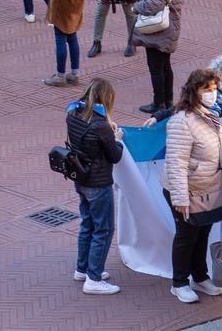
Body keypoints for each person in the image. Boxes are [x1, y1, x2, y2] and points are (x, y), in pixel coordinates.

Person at [163, 67, 222, 304]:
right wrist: (180, 198)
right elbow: (176, 163)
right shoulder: (182, 121)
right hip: (187, 190)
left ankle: (200, 277)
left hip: (208, 188)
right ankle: (179, 282)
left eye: (214, 89)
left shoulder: (212, 115)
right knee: (186, 236)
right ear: (195, 91)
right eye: (207, 89)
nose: (212, 93)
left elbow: (214, 144)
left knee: (202, 233)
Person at [66, 78, 125, 295]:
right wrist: (116, 138)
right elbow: (115, 155)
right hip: (99, 183)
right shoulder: (100, 125)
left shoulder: (72, 113)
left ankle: (83, 268)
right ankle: (94, 278)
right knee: (104, 229)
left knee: (87, 224)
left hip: (80, 178)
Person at [130, 0, 185, 107]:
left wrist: (137, 7)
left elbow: (153, 5)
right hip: (166, 30)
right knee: (164, 66)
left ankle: (159, 102)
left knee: (156, 68)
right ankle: (167, 101)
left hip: (160, 31)